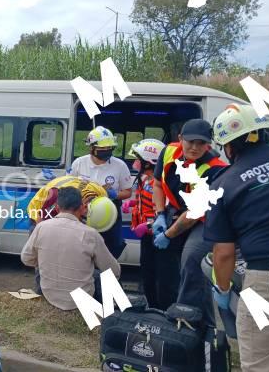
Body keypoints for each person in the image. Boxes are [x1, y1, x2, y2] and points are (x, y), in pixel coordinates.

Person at [204, 104, 269, 371]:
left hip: (265, 284)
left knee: (260, 361)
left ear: (230, 147)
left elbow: (223, 253)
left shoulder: (225, 184)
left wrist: (223, 291)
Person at [152, 118, 227, 327]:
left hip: (207, 217)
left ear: (208, 145)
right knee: (161, 259)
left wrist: (168, 234)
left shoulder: (215, 169)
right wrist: (159, 214)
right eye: (190, 141)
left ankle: (186, 318)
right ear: (180, 139)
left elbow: (194, 213)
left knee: (192, 259)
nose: (194, 147)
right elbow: (157, 184)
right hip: (177, 209)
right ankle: (162, 309)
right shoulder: (168, 152)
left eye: (201, 143)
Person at [21, 187, 120, 310]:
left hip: (49, 295)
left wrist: (46, 263)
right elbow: (114, 271)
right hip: (81, 300)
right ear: (82, 208)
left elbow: (26, 259)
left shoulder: (41, 227)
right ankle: (110, 317)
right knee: (101, 276)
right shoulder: (91, 234)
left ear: (57, 207)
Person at [68, 126, 133, 259]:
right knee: (82, 249)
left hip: (109, 212)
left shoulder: (120, 166)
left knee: (110, 250)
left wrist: (113, 194)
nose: (106, 152)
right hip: (82, 212)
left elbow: (127, 192)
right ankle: (86, 277)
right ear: (91, 148)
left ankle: (107, 277)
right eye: (102, 149)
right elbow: (68, 187)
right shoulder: (79, 163)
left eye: (109, 149)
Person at [122, 139, 171, 310]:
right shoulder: (145, 179)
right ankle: (151, 305)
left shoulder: (161, 184)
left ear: (150, 162)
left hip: (159, 238)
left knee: (160, 276)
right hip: (146, 237)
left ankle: (160, 309)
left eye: (138, 159)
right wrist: (133, 204)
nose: (135, 163)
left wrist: (148, 225)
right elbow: (146, 202)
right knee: (146, 273)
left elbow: (164, 213)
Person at [27, 175, 107, 225]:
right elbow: (42, 225)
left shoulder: (102, 194)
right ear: (82, 205)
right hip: (38, 211)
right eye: (85, 215)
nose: (85, 216)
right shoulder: (56, 197)